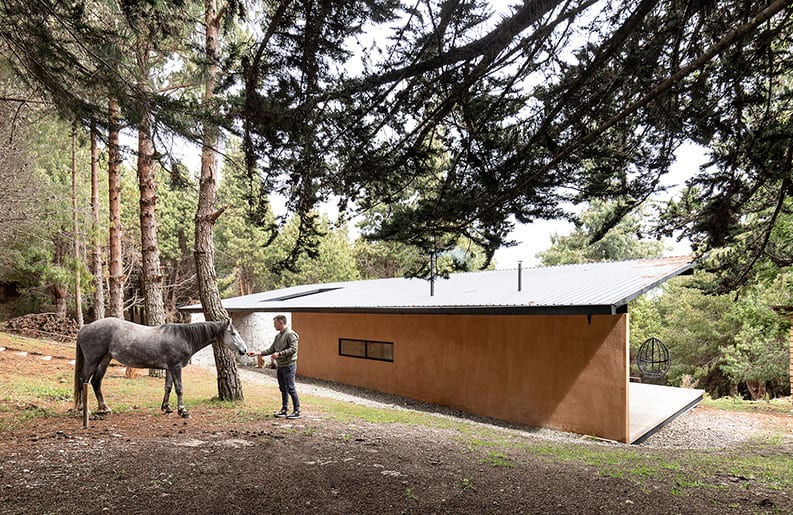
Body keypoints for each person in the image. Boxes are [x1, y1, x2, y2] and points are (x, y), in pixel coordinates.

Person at [248, 315, 301, 419]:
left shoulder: (291, 334)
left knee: (291, 388)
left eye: (275, 323)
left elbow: (293, 349)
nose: (274, 326)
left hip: (289, 365)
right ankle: (284, 409)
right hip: (280, 366)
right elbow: (271, 349)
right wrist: (257, 353)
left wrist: (280, 354)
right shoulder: (278, 336)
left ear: (281, 322)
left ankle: (297, 410)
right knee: (283, 388)